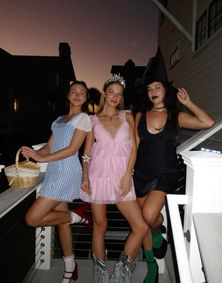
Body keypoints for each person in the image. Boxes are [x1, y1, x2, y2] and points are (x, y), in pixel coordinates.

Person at [133, 48, 215, 283]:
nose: (152, 92)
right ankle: (151, 266)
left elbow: (207, 121)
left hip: (165, 174)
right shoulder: (140, 115)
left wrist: (188, 102)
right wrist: (128, 171)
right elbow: (134, 146)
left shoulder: (176, 116)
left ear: (166, 90)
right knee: (143, 220)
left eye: (157, 87)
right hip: (141, 173)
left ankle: (160, 232)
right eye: (149, 89)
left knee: (150, 215)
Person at [21, 81, 92, 283]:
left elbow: (72, 149)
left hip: (67, 171)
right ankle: (70, 268)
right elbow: (49, 147)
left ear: (85, 98)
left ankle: (77, 217)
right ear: (68, 96)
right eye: (74, 91)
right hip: (54, 171)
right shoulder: (59, 120)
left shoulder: (83, 118)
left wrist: (43, 158)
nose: (78, 95)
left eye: (82, 92)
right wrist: (34, 154)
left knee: (32, 219)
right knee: (61, 222)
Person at [80, 74, 149, 283]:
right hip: (98, 176)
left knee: (140, 226)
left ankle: (122, 272)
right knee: (100, 225)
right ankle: (101, 275)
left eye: (119, 94)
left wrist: (128, 174)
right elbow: (87, 153)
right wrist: (85, 176)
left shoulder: (127, 116)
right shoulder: (92, 120)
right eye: (111, 92)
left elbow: (134, 149)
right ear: (104, 93)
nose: (115, 97)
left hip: (121, 177)